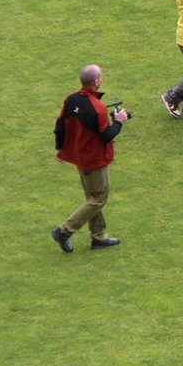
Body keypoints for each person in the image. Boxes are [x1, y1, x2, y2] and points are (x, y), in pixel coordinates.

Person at [51, 65, 130, 253]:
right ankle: (65, 230)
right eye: (101, 76)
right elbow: (106, 136)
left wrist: (59, 148)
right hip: (95, 160)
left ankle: (98, 237)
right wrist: (119, 121)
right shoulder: (98, 107)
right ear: (96, 82)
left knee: (92, 197)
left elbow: (60, 125)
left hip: (80, 157)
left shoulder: (71, 99)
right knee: (98, 199)